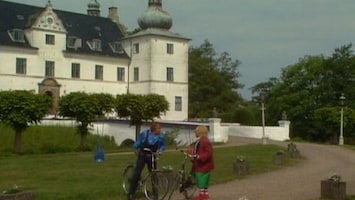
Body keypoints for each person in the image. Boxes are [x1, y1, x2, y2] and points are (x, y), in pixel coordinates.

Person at [127, 122, 166, 200]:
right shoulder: (145, 134)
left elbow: (163, 145)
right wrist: (136, 149)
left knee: (153, 174)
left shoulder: (161, 136)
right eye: (159, 128)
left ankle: (155, 194)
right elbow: (138, 142)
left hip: (152, 155)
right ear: (154, 129)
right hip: (143, 155)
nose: (160, 130)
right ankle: (131, 193)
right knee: (137, 173)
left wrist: (161, 150)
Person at [188, 125, 214, 200]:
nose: (195, 133)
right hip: (202, 163)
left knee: (201, 178)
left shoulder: (204, 141)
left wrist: (199, 157)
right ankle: (205, 193)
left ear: (199, 132)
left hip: (203, 164)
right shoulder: (200, 140)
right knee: (203, 178)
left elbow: (208, 153)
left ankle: (202, 194)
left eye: (196, 132)